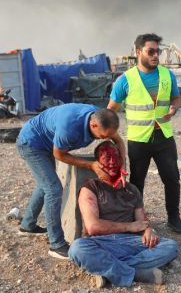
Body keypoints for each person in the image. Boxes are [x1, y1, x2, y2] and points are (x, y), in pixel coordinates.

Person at [16, 104, 126, 260]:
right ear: (93, 125)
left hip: (48, 141)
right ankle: (56, 245)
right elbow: (59, 155)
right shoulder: (70, 127)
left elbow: (119, 142)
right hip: (31, 143)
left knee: (45, 184)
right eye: (101, 137)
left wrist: (122, 166)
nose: (104, 139)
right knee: (53, 190)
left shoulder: (104, 118)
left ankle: (27, 226)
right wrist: (91, 165)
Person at [69, 141, 178, 288]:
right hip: (102, 243)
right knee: (77, 249)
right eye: (107, 158)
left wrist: (148, 231)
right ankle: (135, 273)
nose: (113, 162)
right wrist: (129, 226)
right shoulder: (91, 188)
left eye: (116, 157)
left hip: (129, 242)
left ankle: (107, 269)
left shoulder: (131, 190)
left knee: (170, 246)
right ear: (98, 164)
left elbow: (142, 222)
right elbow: (93, 227)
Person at [107, 33, 181, 233]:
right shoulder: (125, 80)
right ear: (138, 52)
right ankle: (136, 223)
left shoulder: (168, 75)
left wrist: (174, 108)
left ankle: (174, 219)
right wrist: (111, 140)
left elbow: (176, 99)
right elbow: (110, 112)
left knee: (172, 179)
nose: (155, 55)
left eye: (157, 51)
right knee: (137, 183)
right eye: (150, 51)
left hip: (164, 137)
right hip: (138, 139)